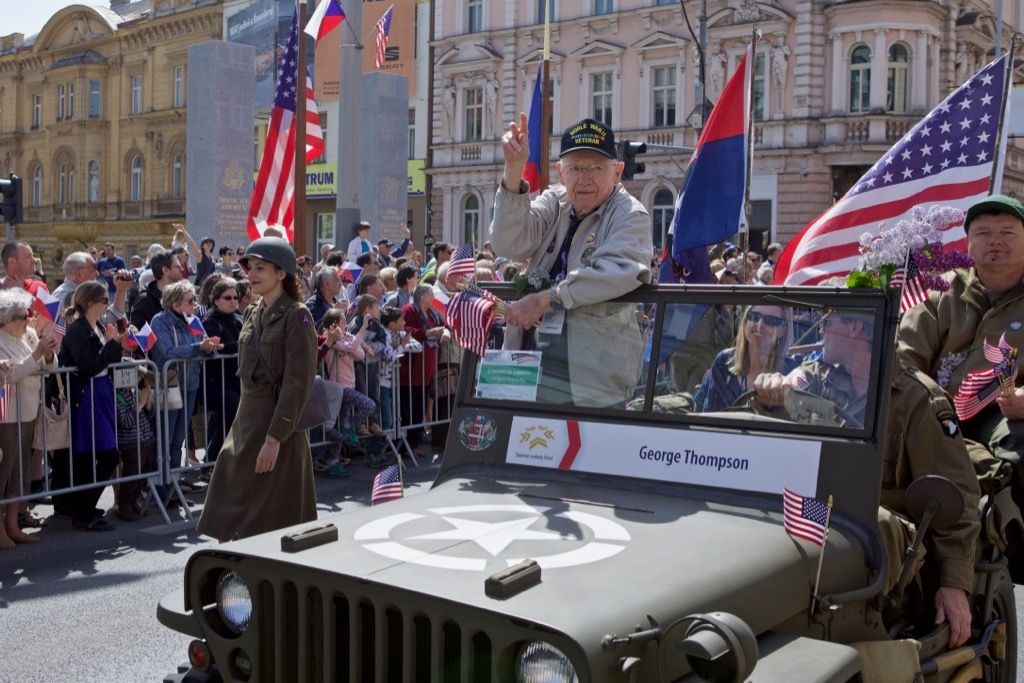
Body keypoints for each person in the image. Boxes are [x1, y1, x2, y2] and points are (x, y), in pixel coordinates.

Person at [753, 310, 979, 647]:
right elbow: (779, 434)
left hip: (887, 544)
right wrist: (769, 400)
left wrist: (955, 583)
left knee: (876, 519)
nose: (820, 331)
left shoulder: (918, 399)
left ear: (856, 327)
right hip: (823, 516)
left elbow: (957, 495)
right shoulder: (818, 379)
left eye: (828, 323)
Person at [491, 114, 653, 407]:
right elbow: (508, 243)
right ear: (561, 172)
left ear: (617, 172)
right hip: (525, 367)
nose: (584, 179)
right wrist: (513, 171)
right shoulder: (555, 201)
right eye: (575, 168)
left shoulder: (630, 215)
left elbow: (615, 272)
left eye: (596, 168)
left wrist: (546, 300)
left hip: (592, 385)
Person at [897, 195, 1024, 491]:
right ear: (968, 244)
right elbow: (904, 361)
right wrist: (930, 408)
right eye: (983, 233)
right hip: (932, 416)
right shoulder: (939, 293)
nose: (996, 241)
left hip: (1001, 415)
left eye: (1007, 232)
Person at [197, 237, 317, 542]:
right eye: (250, 267)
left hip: (277, 422)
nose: (251, 274)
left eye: (260, 268)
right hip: (247, 419)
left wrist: (275, 437)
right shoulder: (252, 313)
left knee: (274, 512)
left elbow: (297, 383)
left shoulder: (298, 315)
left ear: (282, 273)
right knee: (230, 489)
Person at [52, 282, 131, 532]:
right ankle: (83, 512)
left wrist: (115, 342)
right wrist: (112, 344)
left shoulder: (97, 326)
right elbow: (88, 365)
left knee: (98, 455)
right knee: (104, 456)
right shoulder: (77, 329)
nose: (107, 305)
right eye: (104, 300)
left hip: (101, 392)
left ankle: (84, 507)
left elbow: (107, 360)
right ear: (89, 303)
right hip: (87, 395)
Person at [150, 281, 222, 502]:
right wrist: (199, 348)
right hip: (169, 385)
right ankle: (161, 489)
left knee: (178, 440)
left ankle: (173, 489)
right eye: (191, 300)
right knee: (166, 439)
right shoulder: (160, 321)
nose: (195, 304)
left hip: (190, 385)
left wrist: (210, 348)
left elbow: (204, 348)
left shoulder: (193, 320)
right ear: (175, 303)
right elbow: (168, 351)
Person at [0, 291, 56, 547]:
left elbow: (50, 367)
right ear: (6, 320)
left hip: (29, 411)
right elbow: (10, 375)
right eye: (23, 316)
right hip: (7, 415)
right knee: (4, 471)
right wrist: (36, 356)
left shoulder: (30, 335)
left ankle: (13, 525)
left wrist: (48, 354)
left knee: (20, 473)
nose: (29, 319)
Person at [693, 305, 792, 412]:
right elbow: (698, 408)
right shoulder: (724, 361)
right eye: (754, 317)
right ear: (745, 322)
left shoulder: (791, 373)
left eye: (770, 321)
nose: (760, 325)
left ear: (782, 330)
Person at [201, 278, 243, 463]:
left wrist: (233, 346)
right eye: (227, 298)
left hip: (237, 380)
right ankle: (212, 461)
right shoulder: (210, 322)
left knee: (226, 421)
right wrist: (238, 345)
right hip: (215, 382)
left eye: (235, 297)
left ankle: (222, 461)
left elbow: (248, 342)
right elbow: (217, 348)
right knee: (228, 416)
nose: (233, 301)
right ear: (216, 300)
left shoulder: (239, 319)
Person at [401, 285, 446, 454]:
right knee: (410, 409)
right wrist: (428, 333)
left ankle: (414, 445)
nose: (434, 297)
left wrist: (444, 332)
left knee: (420, 408)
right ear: (422, 297)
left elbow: (443, 327)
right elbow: (406, 331)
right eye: (431, 295)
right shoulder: (409, 310)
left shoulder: (433, 313)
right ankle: (408, 447)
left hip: (427, 370)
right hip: (412, 370)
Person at [130, 250, 183, 328]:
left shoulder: (182, 297)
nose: (182, 269)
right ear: (165, 270)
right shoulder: (144, 301)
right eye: (177, 267)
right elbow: (136, 332)